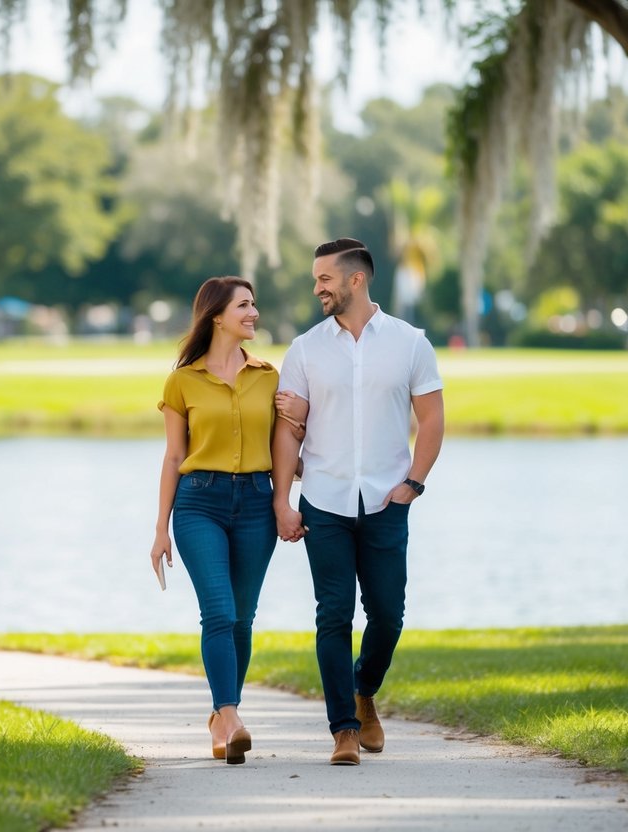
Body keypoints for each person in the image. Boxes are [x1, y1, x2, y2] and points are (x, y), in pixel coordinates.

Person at [272, 237, 444, 766]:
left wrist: (412, 484)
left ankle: (364, 690)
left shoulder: (411, 342)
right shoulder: (305, 348)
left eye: (324, 278)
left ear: (356, 279)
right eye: (315, 278)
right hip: (324, 501)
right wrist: (284, 500)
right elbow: (287, 432)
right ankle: (343, 728)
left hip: (388, 503)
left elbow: (432, 419)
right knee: (333, 616)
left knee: (388, 615)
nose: (317, 287)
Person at [151, 276, 303, 765]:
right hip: (199, 504)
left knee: (242, 617)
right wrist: (159, 530)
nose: (254, 312)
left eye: (254, 304)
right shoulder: (183, 380)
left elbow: (288, 452)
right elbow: (174, 455)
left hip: (258, 502)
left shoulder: (269, 376)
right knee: (218, 611)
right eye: (244, 305)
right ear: (217, 315)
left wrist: (296, 424)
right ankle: (231, 714)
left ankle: (221, 722)